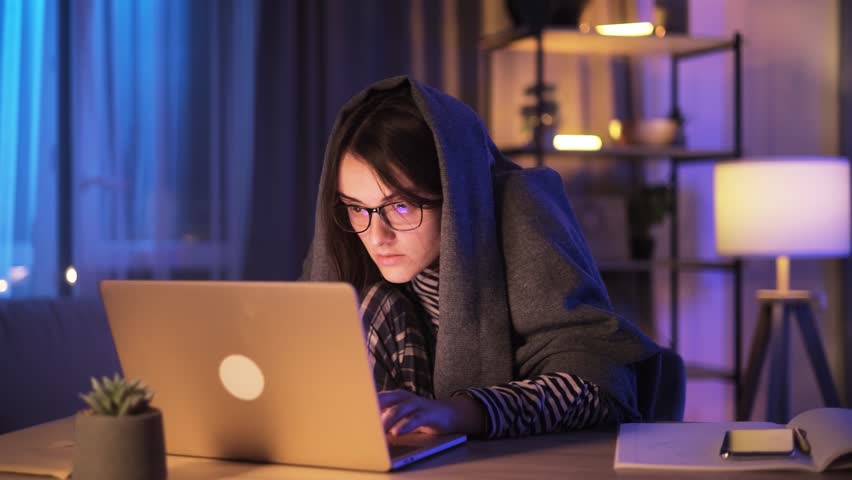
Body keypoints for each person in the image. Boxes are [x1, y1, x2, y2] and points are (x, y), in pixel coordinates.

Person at [303, 76, 662, 439]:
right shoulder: (376, 295)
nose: (377, 236)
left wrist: (461, 412)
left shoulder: (521, 212)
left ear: (457, 193)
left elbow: (596, 386)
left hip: (536, 463)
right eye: (357, 208)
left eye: (401, 206)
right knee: (369, 306)